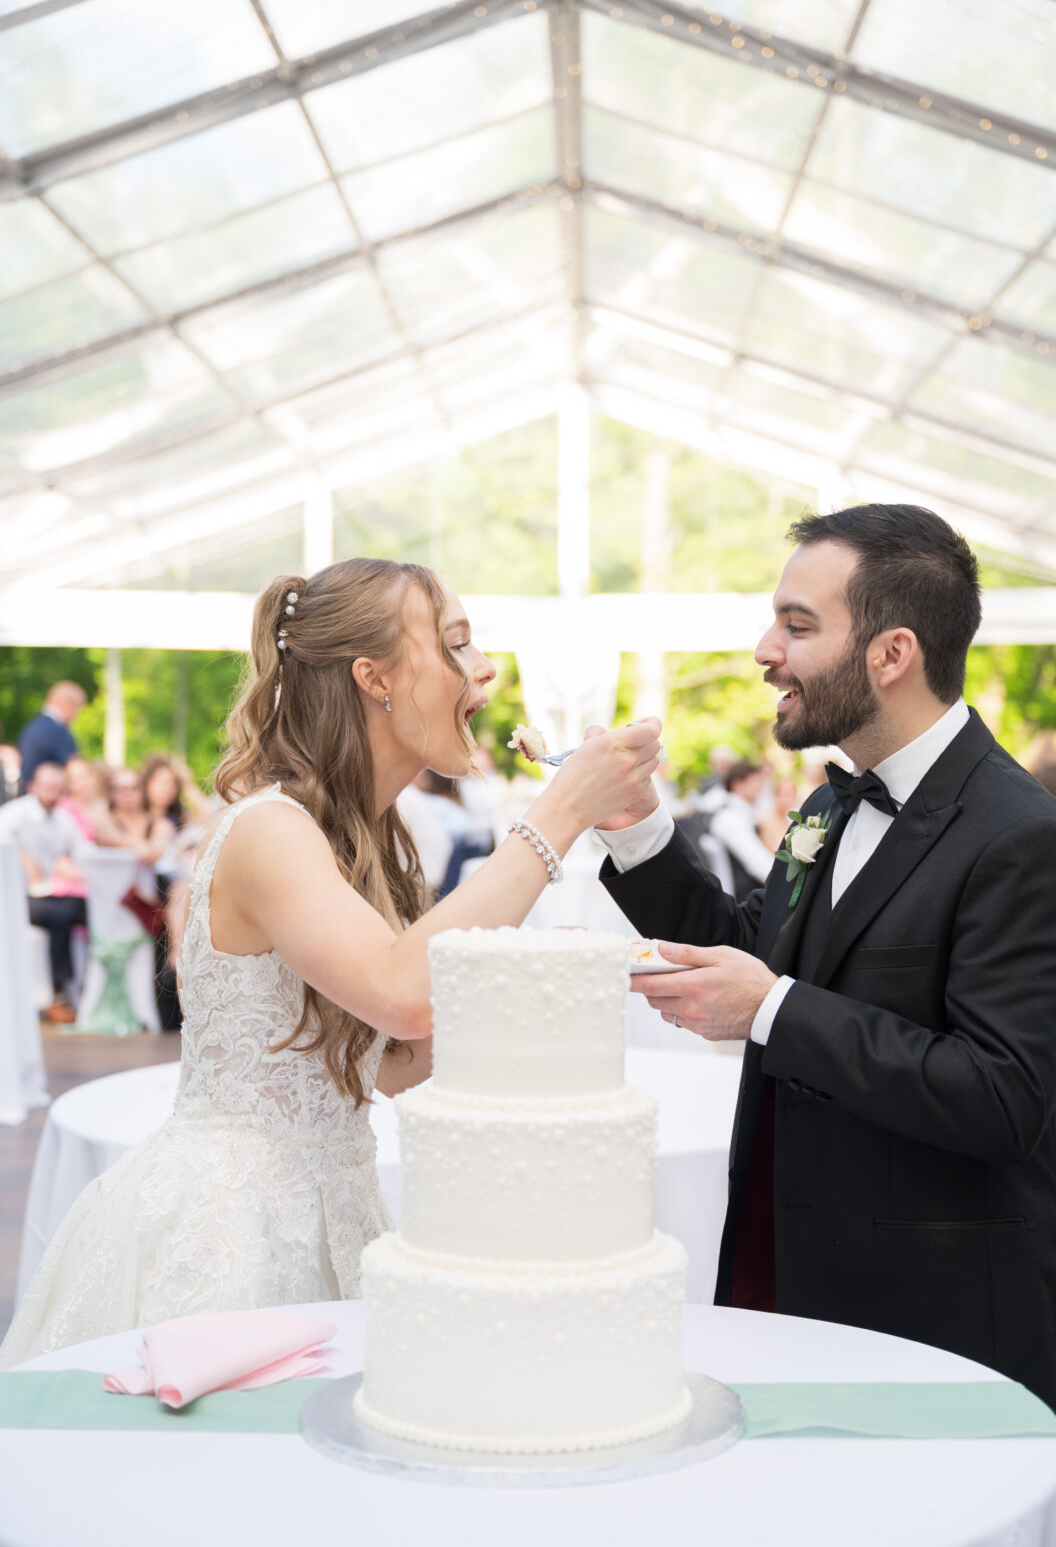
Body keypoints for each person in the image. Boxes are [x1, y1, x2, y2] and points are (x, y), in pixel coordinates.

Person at [0, 557, 660, 1365]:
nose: (483, 669)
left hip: (338, 1206)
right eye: (455, 645)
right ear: (372, 677)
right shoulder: (271, 828)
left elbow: (396, 1064)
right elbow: (402, 995)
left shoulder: (366, 839)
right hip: (233, 1229)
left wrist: (530, 975)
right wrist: (557, 814)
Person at [597, 504, 1056, 1417]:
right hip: (791, 1269)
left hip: (940, 1314)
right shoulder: (829, 805)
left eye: (797, 625)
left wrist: (772, 1011)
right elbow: (754, 950)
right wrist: (635, 829)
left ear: (891, 654)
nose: (765, 650)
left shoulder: (1022, 836)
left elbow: (1008, 1097)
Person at [0, 762, 89, 1023]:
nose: (52, 794)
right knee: (59, 916)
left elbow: (83, 853)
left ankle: (86, 991)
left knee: (82, 908)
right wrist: (20, 857)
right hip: (13, 897)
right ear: (32, 787)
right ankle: (58, 994)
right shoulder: (14, 814)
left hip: (47, 893)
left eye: (56, 789)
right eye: (47, 788)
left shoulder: (64, 820)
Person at [707, 759, 775, 901]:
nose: (760, 787)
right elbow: (757, 863)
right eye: (755, 782)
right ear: (737, 784)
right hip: (740, 903)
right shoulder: (729, 818)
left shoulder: (742, 813)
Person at [17, 681, 86, 792]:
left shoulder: (33, 726)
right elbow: (72, 770)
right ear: (68, 703)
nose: (76, 715)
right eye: (77, 709)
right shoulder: (58, 731)